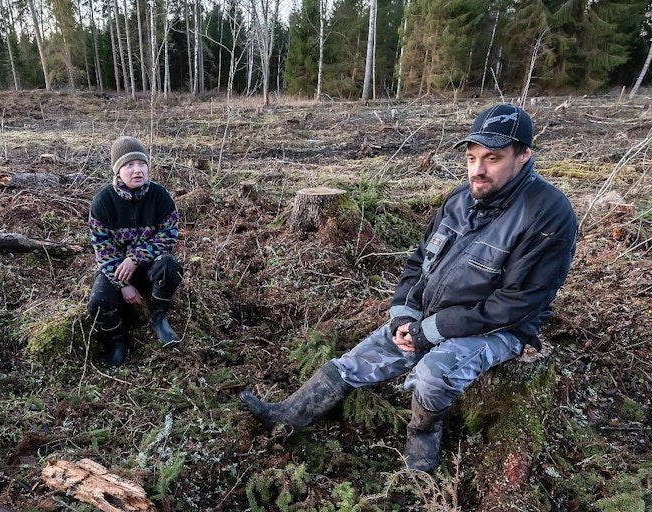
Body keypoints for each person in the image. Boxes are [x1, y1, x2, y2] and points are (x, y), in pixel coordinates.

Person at [240, 104, 578, 473]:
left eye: (493, 158)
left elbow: (518, 304)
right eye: (472, 157)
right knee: (355, 361)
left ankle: (422, 443)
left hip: (499, 329)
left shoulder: (548, 213)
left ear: (523, 155)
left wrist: (429, 331)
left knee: (434, 375)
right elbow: (420, 262)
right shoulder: (460, 199)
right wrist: (405, 313)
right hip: (429, 316)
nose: (477, 170)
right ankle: (289, 415)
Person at [88, 136, 182, 367]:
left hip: (150, 265)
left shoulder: (160, 197)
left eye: (142, 164)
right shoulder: (102, 202)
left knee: (170, 265)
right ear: (118, 170)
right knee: (98, 303)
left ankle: (158, 318)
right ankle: (119, 341)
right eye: (129, 165)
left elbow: (168, 237)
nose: (137, 170)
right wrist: (123, 284)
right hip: (118, 269)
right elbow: (103, 249)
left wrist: (135, 258)